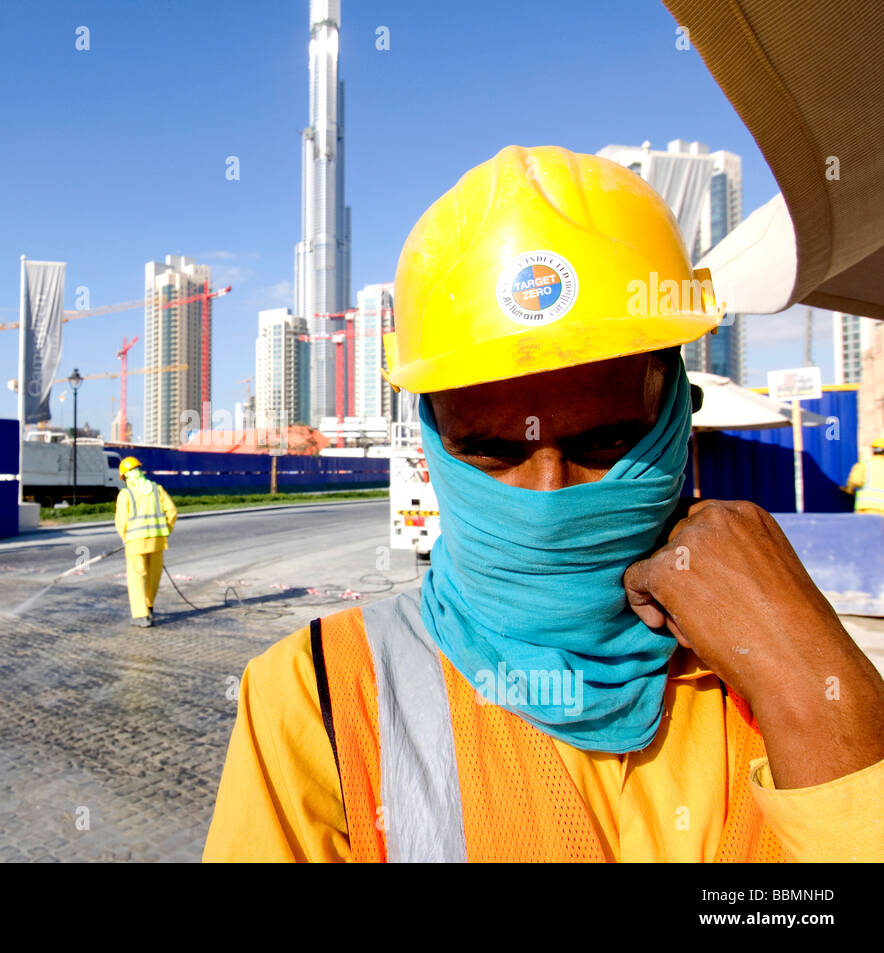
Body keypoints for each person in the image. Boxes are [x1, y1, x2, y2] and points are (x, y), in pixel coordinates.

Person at [204, 146, 884, 863]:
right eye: (495, 451)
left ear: (679, 419)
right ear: (434, 445)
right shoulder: (318, 700)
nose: (550, 495)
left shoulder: (772, 670)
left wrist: (816, 695)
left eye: (609, 441)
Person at [114, 457, 177, 627]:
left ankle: (141, 616)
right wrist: (165, 532)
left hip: (136, 544)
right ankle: (149, 607)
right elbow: (171, 512)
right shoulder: (157, 489)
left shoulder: (126, 494)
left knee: (137, 578)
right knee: (153, 577)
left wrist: (126, 538)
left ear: (126, 476)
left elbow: (121, 522)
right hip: (157, 542)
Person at [845, 437, 884, 514]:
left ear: (872, 451)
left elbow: (854, 481)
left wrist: (849, 490)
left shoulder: (864, 465)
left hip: (865, 510)